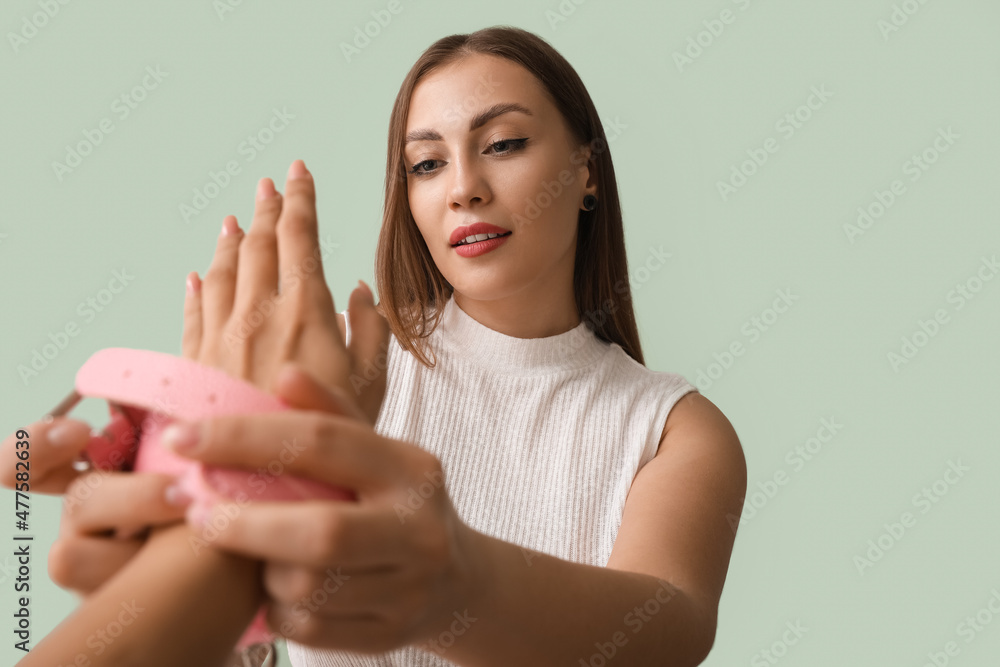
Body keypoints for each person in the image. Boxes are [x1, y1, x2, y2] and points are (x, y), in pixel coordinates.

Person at [2, 25, 747, 667]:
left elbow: (668, 629)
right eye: (427, 163)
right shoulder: (344, 368)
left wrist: (455, 584)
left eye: (504, 143)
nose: (464, 188)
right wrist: (184, 553)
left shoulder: (674, 429)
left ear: (586, 169)